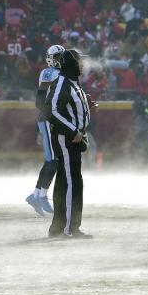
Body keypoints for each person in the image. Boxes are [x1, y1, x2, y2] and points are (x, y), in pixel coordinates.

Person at [46, 49, 92, 238]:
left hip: (73, 139)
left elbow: (69, 110)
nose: (83, 64)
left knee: (68, 181)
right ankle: (69, 228)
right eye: (80, 61)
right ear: (72, 63)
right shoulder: (62, 82)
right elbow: (51, 110)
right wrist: (74, 131)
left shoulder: (72, 82)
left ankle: (61, 227)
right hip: (67, 139)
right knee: (72, 181)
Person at [26, 44, 64, 216]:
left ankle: (37, 195)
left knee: (52, 160)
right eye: (58, 57)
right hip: (49, 120)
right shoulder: (49, 73)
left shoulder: (60, 74)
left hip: (53, 120)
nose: (60, 60)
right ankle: (40, 196)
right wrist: (52, 114)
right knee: (53, 160)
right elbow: (39, 102)